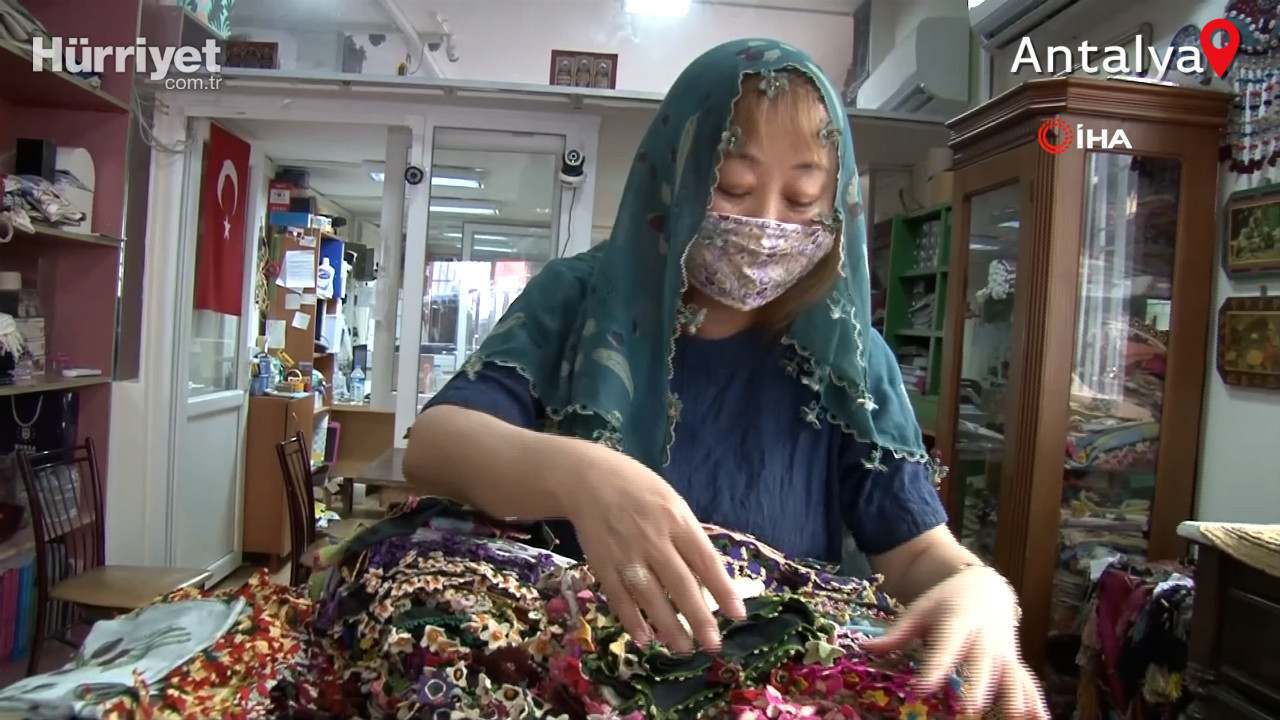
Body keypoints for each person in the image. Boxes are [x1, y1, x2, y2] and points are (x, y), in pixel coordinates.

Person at [405, 39, 1048, 719]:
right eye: (733, 188)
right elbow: (437, 444)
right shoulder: (580, 302)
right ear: (675, 175)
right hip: (573, 682)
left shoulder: (846, 358)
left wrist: (980, 588)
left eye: (801, 199)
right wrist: (580, 475)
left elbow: (915, 553)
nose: (767, 225)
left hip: (761, 692)